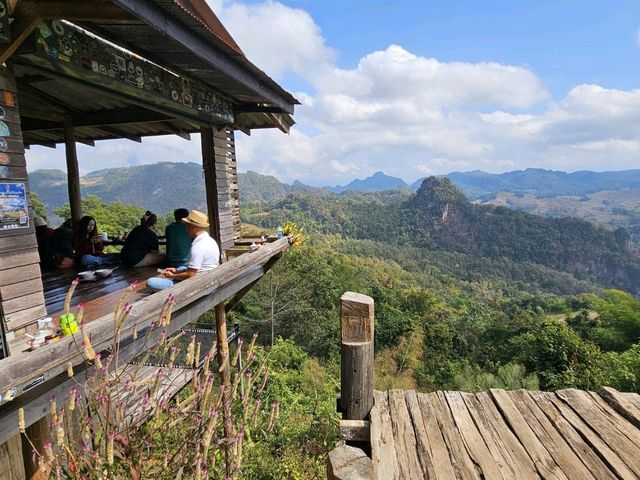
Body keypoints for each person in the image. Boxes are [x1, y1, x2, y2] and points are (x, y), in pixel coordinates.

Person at [148, 210, 219, 290]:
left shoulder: (198, 247)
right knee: (180, 269)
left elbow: (191, 275)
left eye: (186, 225)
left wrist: (172, 276)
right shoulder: (211, 241)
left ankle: (172, 285)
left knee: (150, 282)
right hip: (208, 279)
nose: (185, 228)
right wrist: (176, 271)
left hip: (197, 285)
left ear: (193, 228)